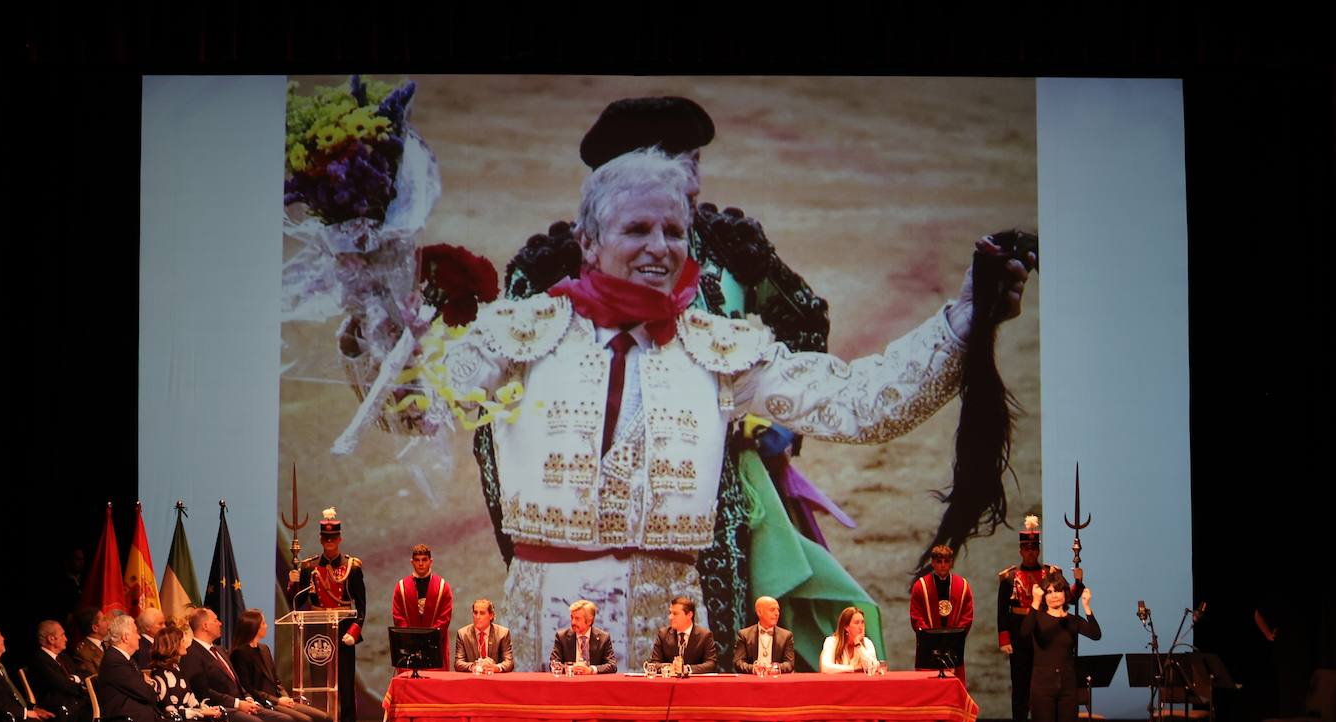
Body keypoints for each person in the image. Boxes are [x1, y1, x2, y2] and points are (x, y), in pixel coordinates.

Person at [417, 148, 1030, 674]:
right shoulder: (517, 336)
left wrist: (963, 321)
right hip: (544, 638)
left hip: (673, 644)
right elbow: (413, 402)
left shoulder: (719, 350)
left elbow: (858, 403)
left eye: (673, 231)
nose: (659, 247)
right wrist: (380, 294)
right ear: (589, 242)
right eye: (637, 229)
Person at [495, 97, 833, 651]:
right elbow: (499, 414)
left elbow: (805, 320)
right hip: (576, 502)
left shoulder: (729, 242)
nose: (691, 178)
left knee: (720, 627)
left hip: (709, 485)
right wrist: (517, 535)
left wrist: (771, 426)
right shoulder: (551, 265)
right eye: (675, 160)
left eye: (694, 160)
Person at [181, 606, 297, 722]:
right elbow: (203, 692)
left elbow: (238, 682)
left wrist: (247, 698)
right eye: (215, 620)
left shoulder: (219, 650)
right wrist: (237, 703)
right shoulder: (192, 654)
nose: (220, 623)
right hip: (220, 709)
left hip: (241, 704)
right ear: (205, 626)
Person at [996, 516, 1084, 722]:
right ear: (1020, 550)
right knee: (1020, 685)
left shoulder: (1051, 575)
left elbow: (1069, 597)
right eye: (1026, 548)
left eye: (1034, 548)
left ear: (1038, 550)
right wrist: (1004, 638)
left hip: (1045, 634)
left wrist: (1078, 582)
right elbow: (1002, 611)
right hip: (1019, 635)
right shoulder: (1009, 578)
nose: (1030, 552)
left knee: (1044, 684)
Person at [288, 508, 366, 722]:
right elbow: (298, 602)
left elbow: (361, 605)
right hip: (318, 631)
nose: (330, 542)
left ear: (339, 539)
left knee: (345, 684)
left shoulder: (353, 567)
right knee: (319, 683)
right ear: (321, 539)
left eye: (333, 538)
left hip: (343, 631)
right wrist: (292, 583)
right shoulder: (309, 567)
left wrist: (354, 631)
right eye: (326, 538)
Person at [230, 608, 333, 722]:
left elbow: (275, 680)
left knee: (325, 719)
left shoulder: (264, 649)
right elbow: (248, 688)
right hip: (263, 703)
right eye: (263, 623)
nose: (266, 626)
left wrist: (284, 695)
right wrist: (276, 701)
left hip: (278, 700)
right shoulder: (240, 653)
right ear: (254, 626)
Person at [95, 615, 198, 722]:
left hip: (145, 717)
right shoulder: (115, 660)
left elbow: (146, 691)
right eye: (136, 632)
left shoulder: (127, 660)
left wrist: (147, 685)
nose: (139, 637)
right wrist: (149, 686)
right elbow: (147, 693)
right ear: (125, 637)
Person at [1024, 572, 1100, 722]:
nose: (1054, 595)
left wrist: (1086, 606)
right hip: (1042, 684)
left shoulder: (1072, 621)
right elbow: (1024, 632)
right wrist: (1035, 602)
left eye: (1057, 591)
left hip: (1067, 685)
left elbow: (1095, 634)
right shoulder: (1038, 618)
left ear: (1066, 594)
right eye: (1049, 592)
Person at [149, 626, 229, 722]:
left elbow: (190, 698)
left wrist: (206, 709)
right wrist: (201, 713)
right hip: (174, 721)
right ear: (173, 645)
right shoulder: (159, 674)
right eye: (182, 640)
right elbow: (169, 711)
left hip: (189, 716)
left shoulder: (177, 668)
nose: (185, 642)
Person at [910, 545, 974, 683]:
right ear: (932, 563)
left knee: (953, 687)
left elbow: (967, 616)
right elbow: (916, 616)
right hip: (928, 648)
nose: (943, 565)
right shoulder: (920, 586)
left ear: (951, 562)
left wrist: (953, 638)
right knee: (928, 688)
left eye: (946, 561)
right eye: (939, 561)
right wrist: (931, 638)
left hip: (953, 648)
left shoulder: (962, 586)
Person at [390, 543, 453, 671]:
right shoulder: (401, 588)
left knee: (434, 683)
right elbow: (398, 616)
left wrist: (428, 640)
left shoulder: (443, 587)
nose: (421, 564)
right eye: (417, 560)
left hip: (435, 649)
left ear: (431, 561)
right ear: (412, 562)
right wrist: (411, 640)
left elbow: (444, 618)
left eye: (424, 560)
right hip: (409, 650)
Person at [30, 619, 92, 722]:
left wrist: (74, 678)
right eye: (62, 635)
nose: (66, 639)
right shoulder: (40, 660)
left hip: (77, 704)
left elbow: (84, 673)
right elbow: (62, 684)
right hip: (61, 711)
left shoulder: (63, 657)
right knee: (101, 719)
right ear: (51, 639)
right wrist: (85, 688)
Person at [648, 596, 718, 673]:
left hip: (694, 680)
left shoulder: (705, 635)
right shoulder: (663, 634)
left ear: (689, 615)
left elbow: (711, 664)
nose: (670, 617)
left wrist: (687, 669)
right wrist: (670, 667)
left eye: (675, 614)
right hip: (670, 679)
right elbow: (654, 664)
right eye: (670, 613)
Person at [548, 599, 617, 675]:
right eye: (572, 617)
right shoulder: (562, 637)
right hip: (570, 681)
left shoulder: (603, 638)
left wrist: (591, 670)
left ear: (589, 621)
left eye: (577, 618)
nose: (573, 622)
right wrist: (571, 668)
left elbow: (612, 666)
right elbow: (553, 664)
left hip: (593, 681)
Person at [733, 596, 797, 674]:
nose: (777, 613)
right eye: (772, 610)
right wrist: (753, 668)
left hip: (776, 679)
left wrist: (775, 668)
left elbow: (790, 664)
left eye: (778, 610)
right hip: (753, 679)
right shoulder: (744, 635)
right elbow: (738, 662)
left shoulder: (786, 636)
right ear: (759, 612)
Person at [453, 599, 514, 673]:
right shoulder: (463, 634)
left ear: (491, 615)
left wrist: (496, 667)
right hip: (473, 678)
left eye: (482, 613)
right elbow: (458, 663)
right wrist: (475, 665)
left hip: (494, 677)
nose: (477, 617)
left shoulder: (503, 633)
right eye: (475, 613)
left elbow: (509, 663)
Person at [820, 606, 878, 674]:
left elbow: (873, 666)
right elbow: (825, 668)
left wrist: (858, 644)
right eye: (857, 623)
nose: (861, 627)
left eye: (862, 622)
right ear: (846, 627)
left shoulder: (867, 642)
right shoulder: (831, 642)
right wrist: (854, 668)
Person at [68, 607, 108, 679]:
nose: (108, 622)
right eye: (104, 620)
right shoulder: (83, 653)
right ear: (95, 628)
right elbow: (94, 679)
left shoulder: (108, 643)